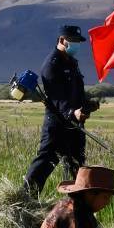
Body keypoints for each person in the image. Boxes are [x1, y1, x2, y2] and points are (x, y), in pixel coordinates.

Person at [23, 25, 94, 195]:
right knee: (45, 162)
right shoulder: (51, 65)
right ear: (62, 40)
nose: (77, 45)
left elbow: (76, 92)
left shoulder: (72, 63)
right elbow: (57, 99)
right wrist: (72, 112)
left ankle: (78, 204)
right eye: (74, 41)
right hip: (57, 124)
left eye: (79, 42)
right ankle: (25, 200)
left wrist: (87, 104)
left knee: (77, 166)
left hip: (75, 125)